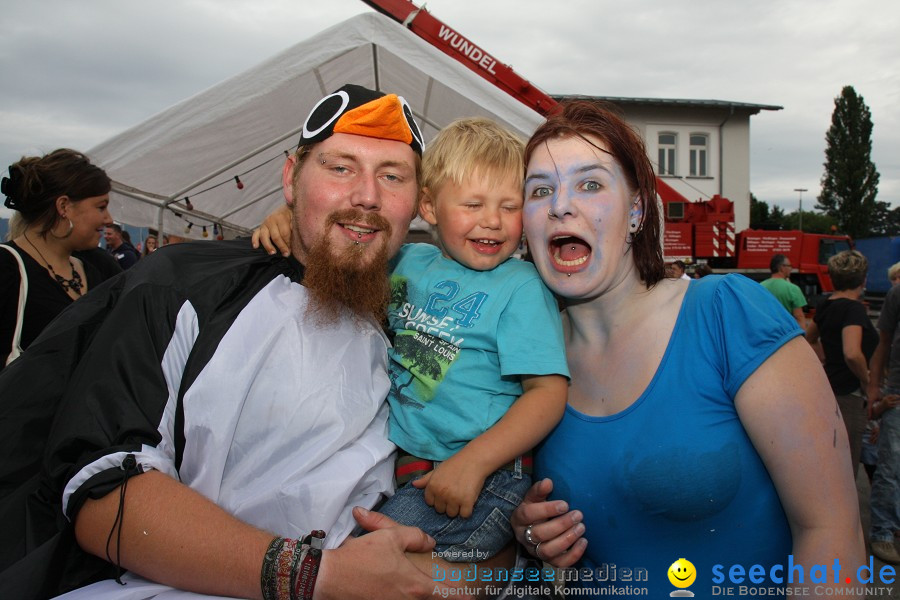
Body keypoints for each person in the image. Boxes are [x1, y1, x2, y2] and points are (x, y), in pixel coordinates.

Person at [0, 84, 473, 600]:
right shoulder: (185, 287)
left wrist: (516, 537)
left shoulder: (416, 320)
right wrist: (319, 577)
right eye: (341, 168)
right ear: (292, 178)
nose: (367, 196)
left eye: (392, 176)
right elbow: (103, 488)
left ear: (418, 201)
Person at [506, 101, 864, 596]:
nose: (560, 205)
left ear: (636, 210)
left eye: (590, 184)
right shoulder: (529, 361)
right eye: (540, 189)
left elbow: (831, 531)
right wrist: (526, 530)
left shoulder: (726, 313)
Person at [254, 118, 570, 564]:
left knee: (354, 564)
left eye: (509, 206)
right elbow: (345, 246)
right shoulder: (407, 261)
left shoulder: (521, 287)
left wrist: (475, 463)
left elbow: (548, 393)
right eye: (474, 204)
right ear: (429, 206)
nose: (493, 221)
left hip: (482, 477)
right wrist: (287, 216)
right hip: (413, 466)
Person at [0, 149, 114, 369]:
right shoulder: (7, 268)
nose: (108, 219)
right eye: (101, 207)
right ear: (63, 207)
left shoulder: (98, 267)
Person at [805, 250, 876, 481]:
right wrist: (867, 381)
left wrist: (824, 360)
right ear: (862, 279)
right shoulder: (854, 308)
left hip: (829, 387)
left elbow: (810, 338)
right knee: (848, 462)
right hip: (850, 392)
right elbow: (852, 353)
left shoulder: (827, 304)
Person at [866, 272, 900, 565]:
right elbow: (883, 342)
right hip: (898, 393)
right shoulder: (897, 293)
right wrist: (874, 388)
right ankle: (883, 532)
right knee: (889, 465)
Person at [760, 253, 808, 330]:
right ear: (782, 268)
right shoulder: (793, 289)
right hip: (785, 333)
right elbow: (799, 316)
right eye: (789, 266)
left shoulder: (761, 286)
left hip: (766, 331)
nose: (791, 269)